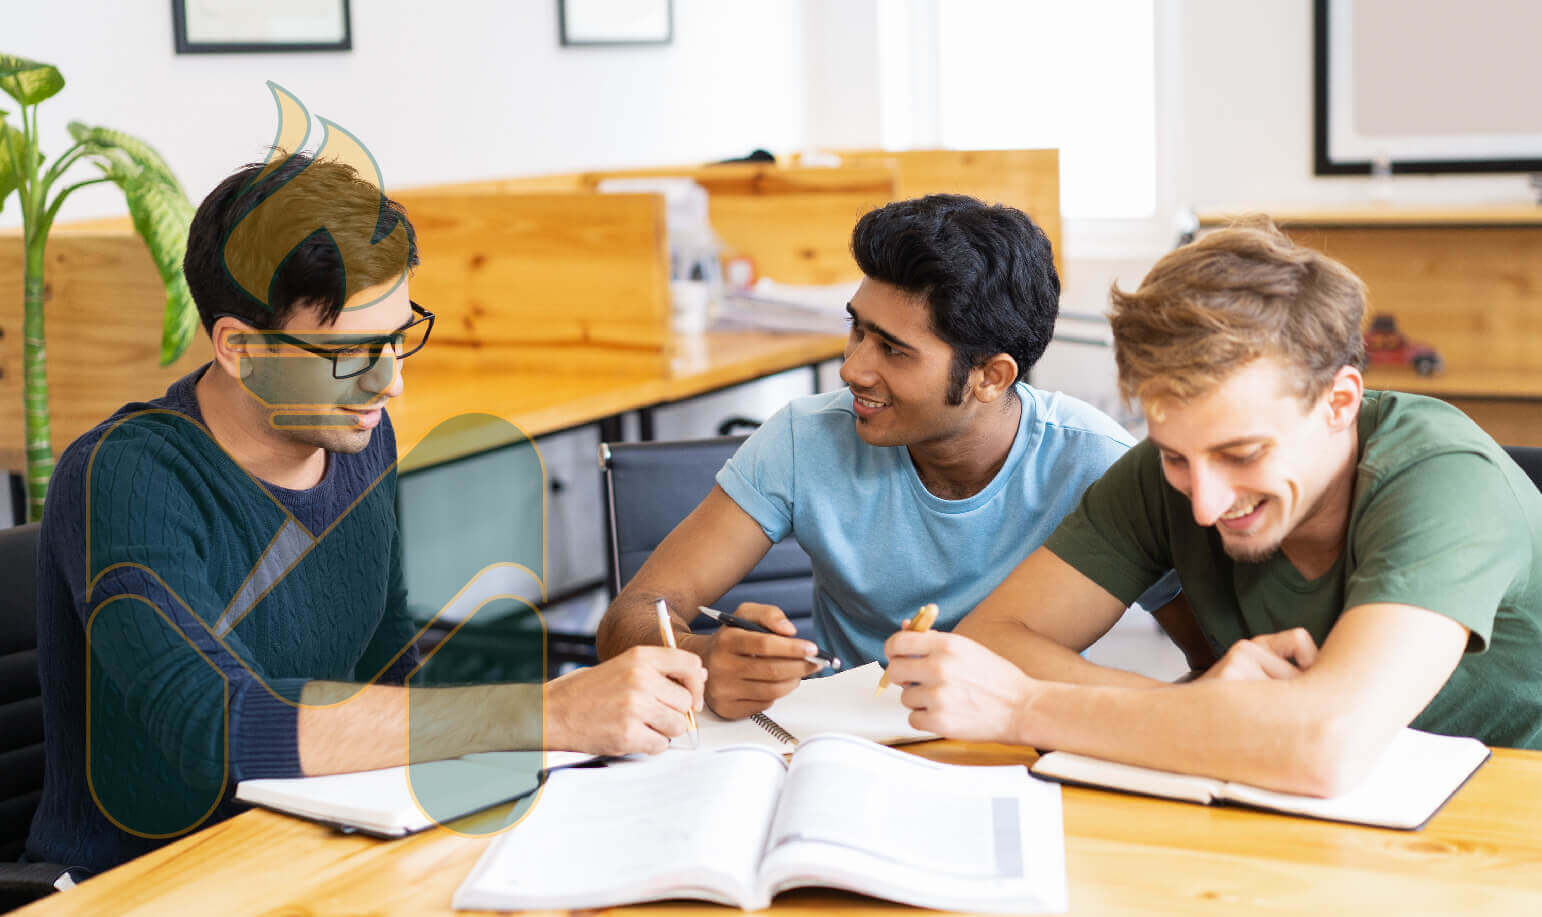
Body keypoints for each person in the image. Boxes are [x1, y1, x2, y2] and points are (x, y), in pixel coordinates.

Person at [27, 153, 704, 874]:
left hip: (313, 842)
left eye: (396, 334)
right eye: (350, 351)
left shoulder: (356, 434)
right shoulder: (124, 476)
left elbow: (389, 672)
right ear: (239, 348)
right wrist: (553, 709)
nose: (392, 381)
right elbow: (213, 724)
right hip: (147, 881)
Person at [887, 217, 1542, 795]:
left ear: (1339, 402)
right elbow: (991, 641)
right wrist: (1209, 712)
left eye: (1244, 452)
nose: (1204, 503)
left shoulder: (1447, 479)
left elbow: (1323, 746)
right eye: (1175, 454)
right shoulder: (1171, 469)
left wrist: (1025, 708)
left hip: (1504, 819)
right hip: (1306, 819)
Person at [596, 194, 1176, 719]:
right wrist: (699, 653)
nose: (852, 369)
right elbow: (629, 617)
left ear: (991, 377)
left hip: (1018, 746)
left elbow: (1213, 666)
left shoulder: (1102, 467)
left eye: (894, 351)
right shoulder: (804, 438)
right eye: (858, 330)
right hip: (841, 742)